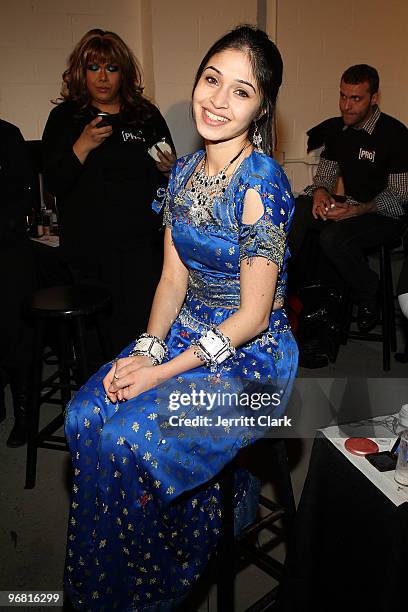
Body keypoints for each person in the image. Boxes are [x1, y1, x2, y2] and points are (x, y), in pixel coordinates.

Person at [63, 25, 298, 610]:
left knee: (122, 438)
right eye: (212, 79)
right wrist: (146, 348)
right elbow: (172, 278)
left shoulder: (261, 182)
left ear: (263, 106)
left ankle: (152, 585)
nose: (218, 100)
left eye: (241, 91)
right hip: (189, 331)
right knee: (83, 413)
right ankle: (106, 590)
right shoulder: (187, 170)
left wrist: (158, 373)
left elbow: (252, 316)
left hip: (254, 359)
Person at [42, 29, 176, 357]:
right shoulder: (66, 118)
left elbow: (171, 182)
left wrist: (170, 170)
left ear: (123, 74)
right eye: (94, 68)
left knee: (144, 336)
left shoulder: (145, 115)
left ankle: (141, 399)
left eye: (112, 69)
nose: (103, 78)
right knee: (99, 343)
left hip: (142, 249)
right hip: (91, 252)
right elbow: (55, 184)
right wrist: (82, 146)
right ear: (81, 72)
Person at [289, 65, 408, 363]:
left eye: (355, 98)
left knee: (333, 237)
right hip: (353, 206)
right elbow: (327, 174)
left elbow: (400, 196)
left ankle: (370, 291)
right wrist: (321, 192)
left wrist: (357, 210)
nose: (346, 105)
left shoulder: (395, 134)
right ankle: (283, 291)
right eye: (343, 96)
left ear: (374, 97)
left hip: (386, 215)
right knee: (299, 209)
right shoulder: (337, 129)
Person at [0, 118, 37, 447]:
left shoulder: (7, 135)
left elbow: (24, 195)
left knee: (14, 334)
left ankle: (24, 414)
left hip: (7, 250)